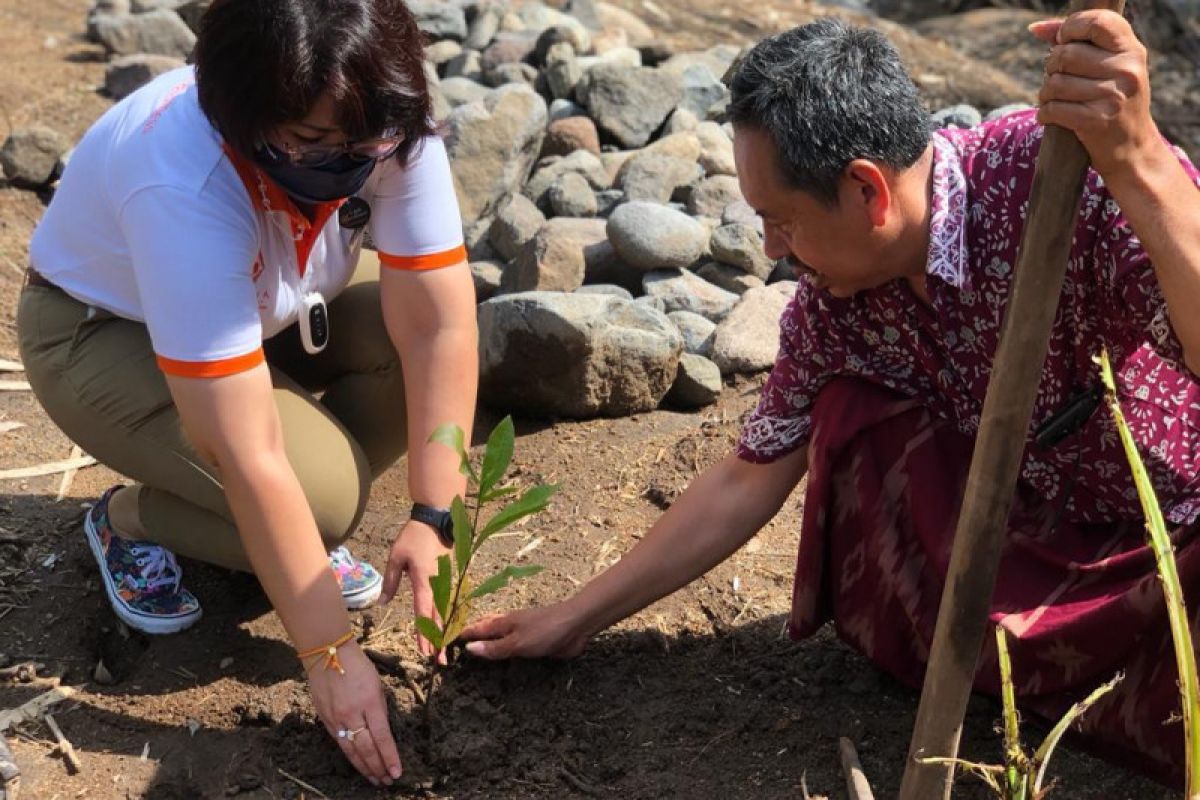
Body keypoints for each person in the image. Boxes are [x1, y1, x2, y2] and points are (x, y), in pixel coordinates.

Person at [461, 10, 1200, 784]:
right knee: (849, 413)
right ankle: (1001, 664)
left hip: (1158, 539)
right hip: (1030, 528)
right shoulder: (839, 302)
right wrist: (576, 617)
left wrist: (1142, 161)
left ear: (865, 190)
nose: (770, 249)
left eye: (780, 221)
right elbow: (750, 473)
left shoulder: (1064, 180)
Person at [17, 0, 477, 787]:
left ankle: (264, 530)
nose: (353, 163)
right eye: (312, 145)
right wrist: (329, 652)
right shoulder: (181, 177)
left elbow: (440, 329)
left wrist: (437, 517)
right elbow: (244, 448)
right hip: (104, 332)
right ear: (244, 116)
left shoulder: (384, 120)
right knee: (321, 499)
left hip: (269, 307)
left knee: (412, 367)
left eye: (366, 146)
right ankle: (128, 517)